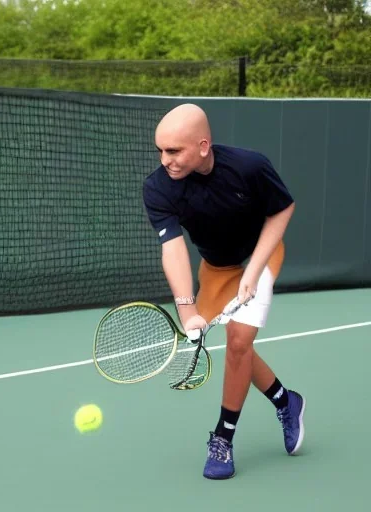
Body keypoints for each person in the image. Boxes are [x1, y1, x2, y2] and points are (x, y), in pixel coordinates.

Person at [142, 103, 305, 480]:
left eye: (174, 151)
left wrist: (256, 270)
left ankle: (223, 438)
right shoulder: (158, 187)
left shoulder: (249, 166)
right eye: (160, 151)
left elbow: (282, 211)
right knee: (239, 348)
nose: (165, 160)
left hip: (260, 254)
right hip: (216, 269)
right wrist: (187, 311)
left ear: (202, 146)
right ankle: (286, 400)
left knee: (238, 339)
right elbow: (173, 249)